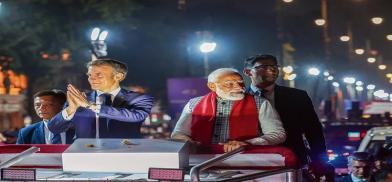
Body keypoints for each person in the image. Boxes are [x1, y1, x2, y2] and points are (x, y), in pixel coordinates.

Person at [243, 54, 332, 179]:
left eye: (275, 66)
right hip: (249, 163)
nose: (272, 69)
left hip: (291, 162)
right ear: (248, 72)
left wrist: (320, 160)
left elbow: (313, 131)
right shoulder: (238, 98)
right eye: (265, 66)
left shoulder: (297, 96)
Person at [171, 68, 285, 153]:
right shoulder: (193, 104)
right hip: (200, 160)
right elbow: (179, 133)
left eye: (240, 82)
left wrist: (248, 143)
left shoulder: (260, 103)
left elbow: (278, 134)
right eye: (229, 84)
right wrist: (190, 143)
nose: (239, 87)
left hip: (245, 159)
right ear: (212, 86)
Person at [48, 58, 153, 139]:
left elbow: (136, 116)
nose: (92, 78)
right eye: (89, 75)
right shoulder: (80, 99)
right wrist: (70, 109)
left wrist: (91, 106)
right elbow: (54, 128)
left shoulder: (140, 98)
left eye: (99, 75)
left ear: (118, 77)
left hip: (124, 155)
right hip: (85, 157)